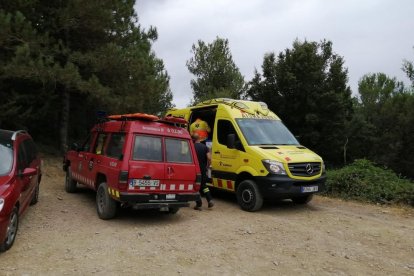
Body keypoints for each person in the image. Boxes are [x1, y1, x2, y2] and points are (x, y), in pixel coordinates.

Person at [192, 133, 214, 210]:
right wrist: (208, 166)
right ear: (200, 138)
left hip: (194, 170)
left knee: (195, 187)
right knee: (204, 186)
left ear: (193, 139)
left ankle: (199, 204)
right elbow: (209, 158)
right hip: (203, 169)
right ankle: (210, 200)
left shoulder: (192, 147)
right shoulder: (205, 147)